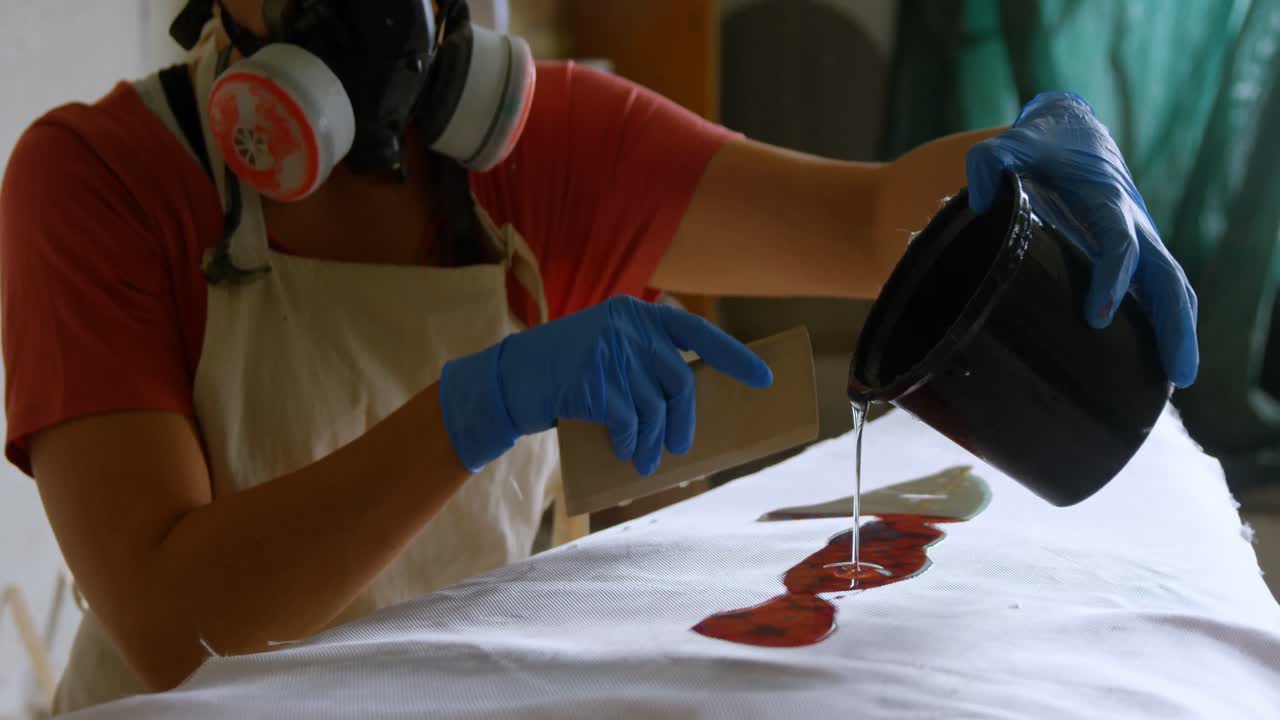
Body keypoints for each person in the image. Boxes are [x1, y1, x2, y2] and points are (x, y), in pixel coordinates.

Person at [0, 0, 1198, 713]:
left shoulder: (530, 155)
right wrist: (468, 412)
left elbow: (866, 220)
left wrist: (1036, 162)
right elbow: (173, 624)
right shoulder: (98, 182)